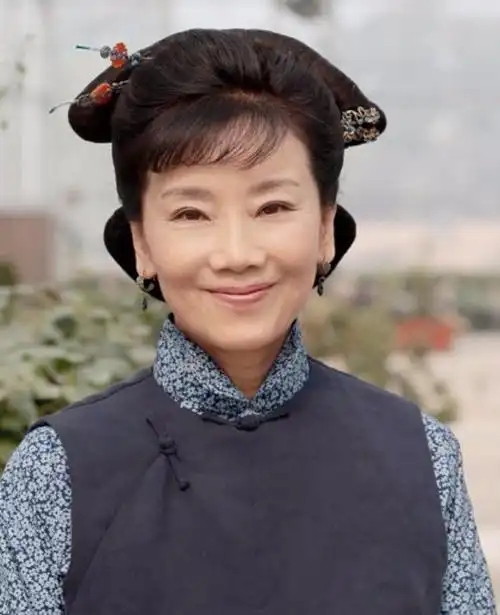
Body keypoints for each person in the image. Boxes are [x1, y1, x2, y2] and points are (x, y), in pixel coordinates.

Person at [0, 28, 496, 615]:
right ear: (142, 244)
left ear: (324, 229)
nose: (236, 254)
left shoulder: (421, 457)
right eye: (191, 213)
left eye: (272, 207)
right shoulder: (57, 473)